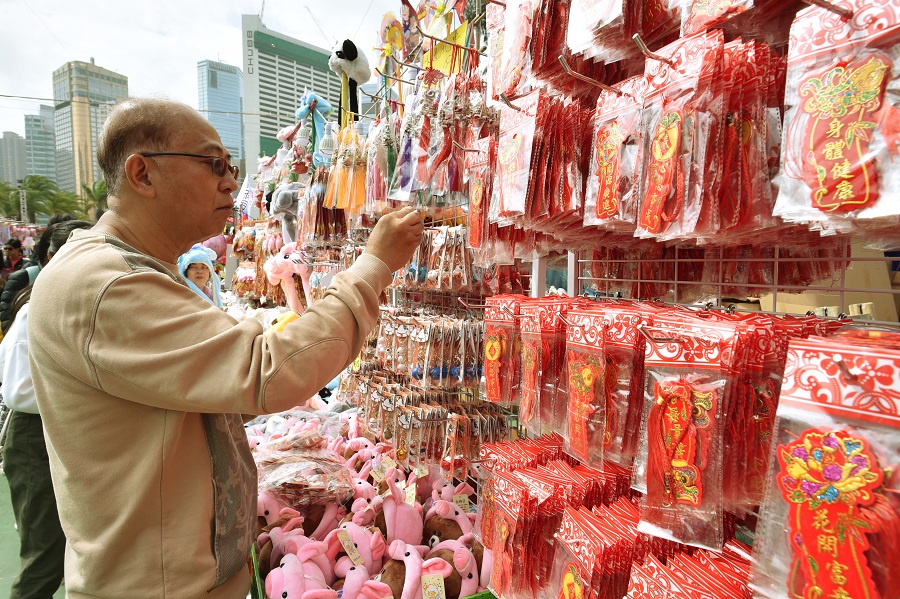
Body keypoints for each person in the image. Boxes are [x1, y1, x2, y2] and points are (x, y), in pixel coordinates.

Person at [28, 98, 423, 597]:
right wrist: (372, 267)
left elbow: (224, 375)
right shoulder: (105, 285)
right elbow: (267, 372)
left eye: (231, 168)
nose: (230, 183)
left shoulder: (134, 271)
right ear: (142, 174)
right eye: (213, 164)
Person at [1, 220, 93, 598]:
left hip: (65, 436)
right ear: (52, 257)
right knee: (44, 556)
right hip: (35, 437)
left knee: (74, 551)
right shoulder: (34, 308)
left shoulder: (75, 303)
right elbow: (19, 392)